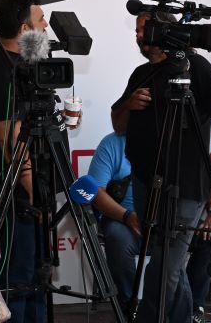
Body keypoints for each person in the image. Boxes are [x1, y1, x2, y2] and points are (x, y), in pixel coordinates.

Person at [111, 10, 211, 323]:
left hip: (187, 186)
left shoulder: (196, 67)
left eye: (144, 29)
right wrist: (128, 104)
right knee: (171, 264)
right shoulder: (140, 74)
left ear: (164, 31)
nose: (138, 36)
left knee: (165, 265)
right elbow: (118, 123)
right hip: (146, 182)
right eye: (137, 30)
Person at [0, 0, 49, 323]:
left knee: (38, 271)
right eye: (41, 20)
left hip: (32, 185)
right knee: (18, 275)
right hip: (12, 188)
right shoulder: (1, 71)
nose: (46, 26)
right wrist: (34, 191)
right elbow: (11, 141)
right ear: (24, 29)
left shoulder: (26, 63)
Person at [85, 131, 138, 311]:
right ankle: (129, 307)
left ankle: (195, 307)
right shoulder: (111, 143)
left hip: (162, 218)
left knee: (205, 235)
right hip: (121, 218)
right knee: (118, 238)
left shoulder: (170, 140)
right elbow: (95, 191)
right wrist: (127, 217)